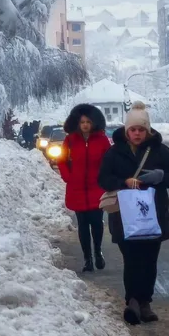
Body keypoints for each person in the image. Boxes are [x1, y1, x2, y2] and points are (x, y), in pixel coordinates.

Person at [98, 102, 169, 325]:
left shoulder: (160, 151)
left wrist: (161, 177)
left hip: (152, 216)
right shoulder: (114, 152)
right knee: (132, 259)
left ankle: (145, 302)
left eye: (141, 129)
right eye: (133, 129)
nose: (137, 134)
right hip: (125, 217)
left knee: (149, 260)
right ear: (127, 131)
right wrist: (123, 182)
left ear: (148, 130)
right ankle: (133, 301)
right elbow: (103, 179)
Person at [59, 104, 112, 273]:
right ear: (77, 123)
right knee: (82, 224)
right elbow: (61, 160)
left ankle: (98, 251)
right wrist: (69, 176)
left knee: (97, 223)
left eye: (88, 122)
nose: (85, 125)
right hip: (77, 188)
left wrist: (105, 179)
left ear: (94, 122)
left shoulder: (102, 140)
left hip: (96, 188)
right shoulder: (70, 140)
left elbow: (109, 161)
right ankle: (87, 258)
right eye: (82, 122)